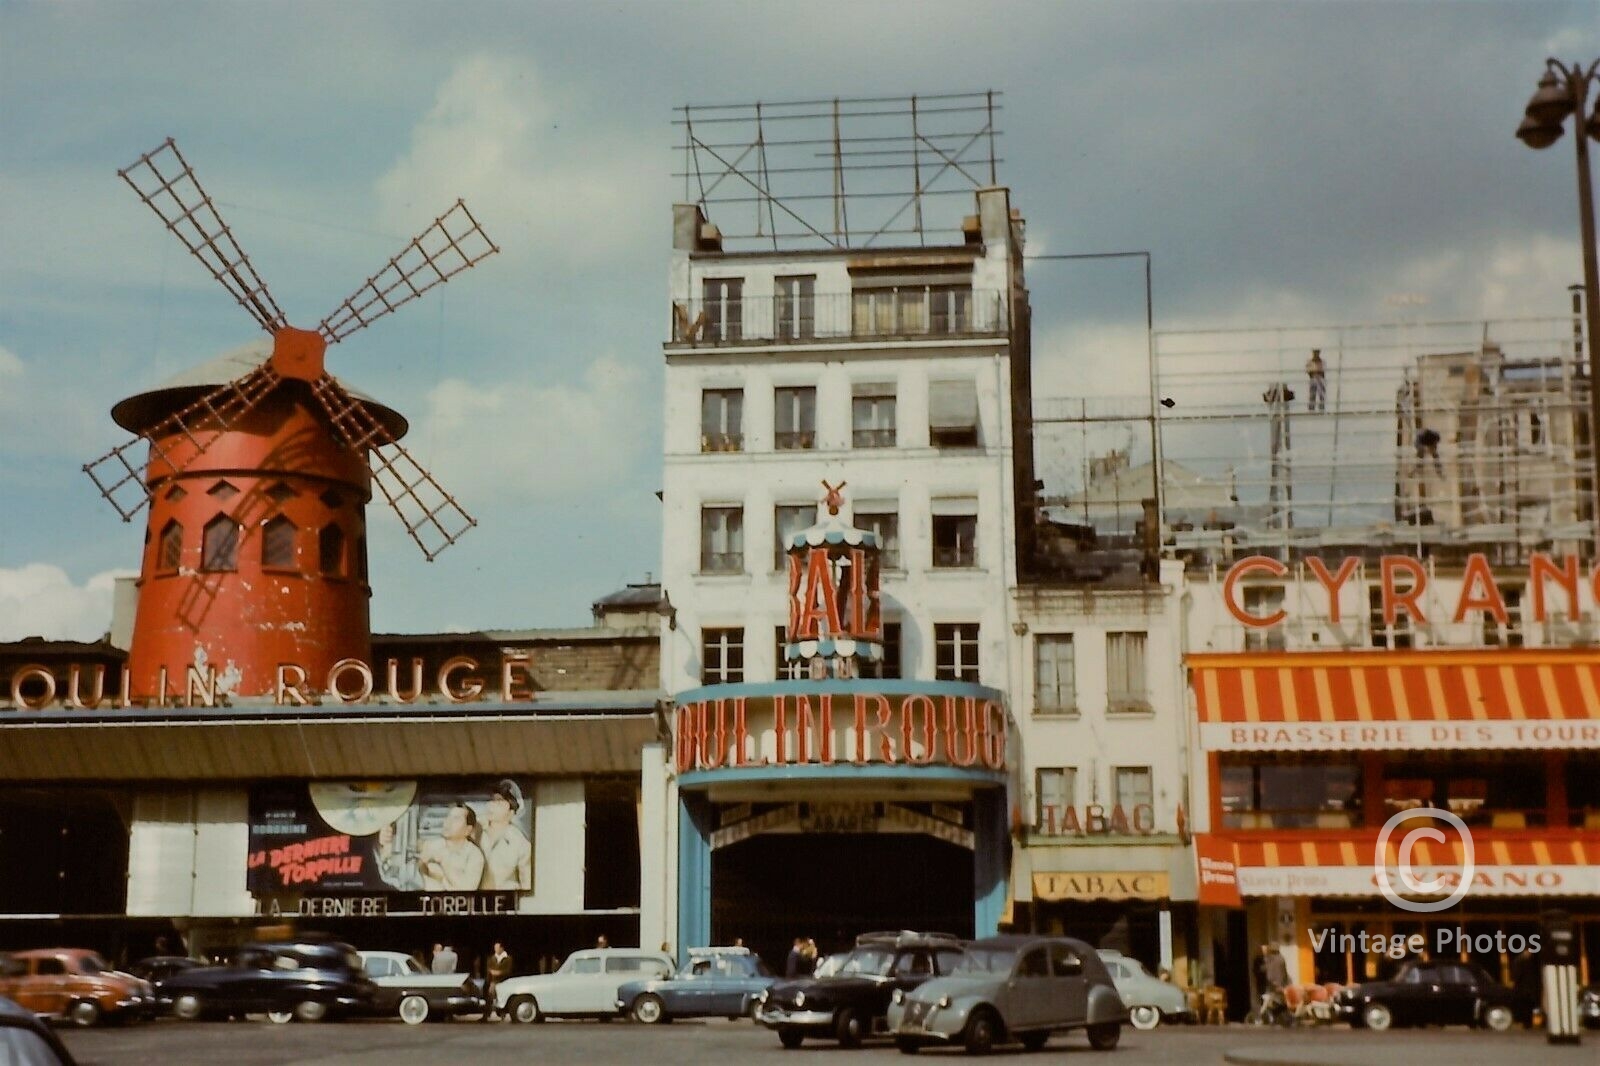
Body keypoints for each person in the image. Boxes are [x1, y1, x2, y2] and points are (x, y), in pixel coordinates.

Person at [478, 780, 533, 890]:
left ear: (511, 811)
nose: (491, 806)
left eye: (499, 802)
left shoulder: (520, 843)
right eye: (491, 800)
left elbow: (526, 881)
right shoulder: (475, 829)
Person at [419, 802, 486, 890]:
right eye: (448, 817)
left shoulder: (474, 855)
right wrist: (422, 864)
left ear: (468, 830)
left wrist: (444, 862)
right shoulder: (432, 845)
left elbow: (468, 889)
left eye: (456, 819)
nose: (448, 822)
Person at [483, 942, 513, 1021]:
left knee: (501, 997)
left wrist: (499, 972)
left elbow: (508, 970)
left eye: (497, 948)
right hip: (493, 981)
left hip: (503, 981)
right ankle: (486, 1014)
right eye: (495, 948)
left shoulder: (508, 958)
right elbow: (489, 970)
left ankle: (501, 1013)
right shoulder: (492, 958)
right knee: (490, 995)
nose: (495, 949)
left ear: (502, 948)